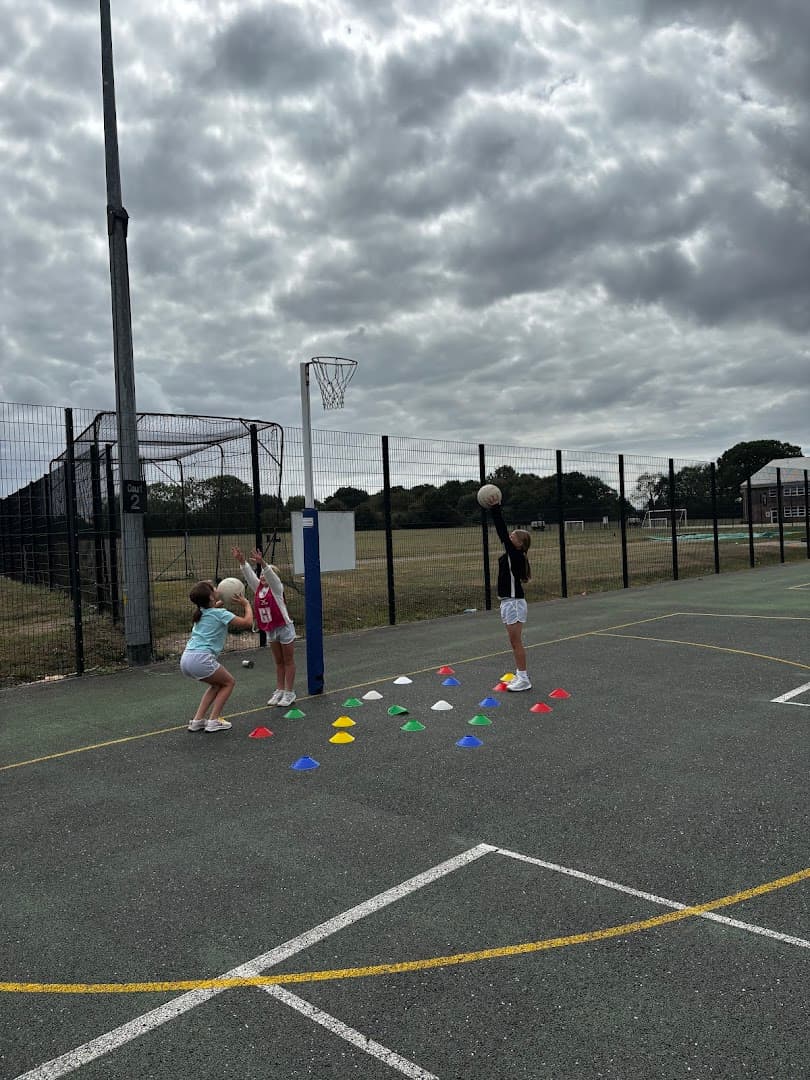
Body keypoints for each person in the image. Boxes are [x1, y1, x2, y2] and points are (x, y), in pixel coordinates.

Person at [180, 580, 253, 732]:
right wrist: (246, 604)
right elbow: (247, 622)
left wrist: (212, 594)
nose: (217, 588)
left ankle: (197, 721)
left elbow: (211, 609)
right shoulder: (220, 614)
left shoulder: (200, 613)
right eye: (214, 588)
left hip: (186, 659)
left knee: (216, 685)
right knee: (229, 683)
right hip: (201, 659)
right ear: (211, 598)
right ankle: (213, 721)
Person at [231, 547, 298, 707]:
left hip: (284, 627)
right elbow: (250, 577)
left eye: (265, 574)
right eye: (260, 574)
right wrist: (242, 562)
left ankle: (290, 692)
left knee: (288, 660)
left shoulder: (276, 588)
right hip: (271, 629)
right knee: (278, 662)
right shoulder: (259, 589)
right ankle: (280, 690)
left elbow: (272, 577)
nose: (262, 576)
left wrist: (264, 564)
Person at [487, 498, 533, 691]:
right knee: (513, 642)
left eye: (513, 536)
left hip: (514, 603)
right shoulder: (512, 555)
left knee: (516, 642)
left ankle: (524, 678)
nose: (510, 537)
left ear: (520, 544)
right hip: (507, 602)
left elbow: (500, 531)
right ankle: (519, 674)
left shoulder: (516, 555)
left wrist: (495, 508)